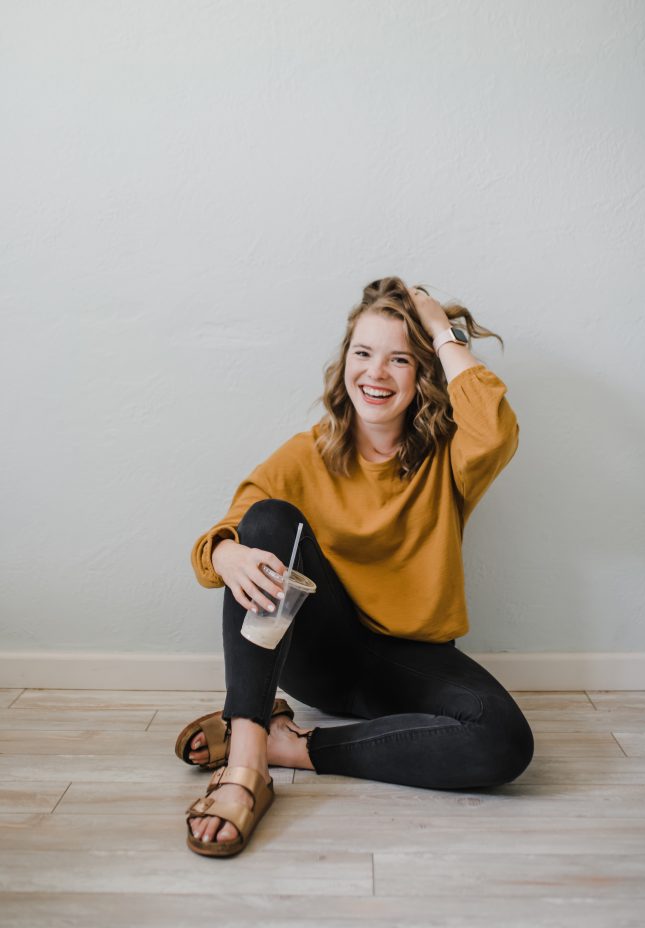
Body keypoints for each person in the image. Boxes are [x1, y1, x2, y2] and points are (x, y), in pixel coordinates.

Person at [179, 275, 534, 857]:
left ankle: (290, 746)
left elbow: (494, 430)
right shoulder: (309, 452)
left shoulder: (451, 457)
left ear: (423, 375)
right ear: (345, 362)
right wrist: (229, 552)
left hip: (411, 661)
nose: (376, 373)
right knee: (267, 520)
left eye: (400, 359)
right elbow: (224, 533)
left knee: (504, 741)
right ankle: (246, 768)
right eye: (363, 353)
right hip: (324, 652)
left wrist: (441, 330)